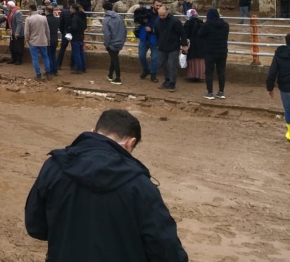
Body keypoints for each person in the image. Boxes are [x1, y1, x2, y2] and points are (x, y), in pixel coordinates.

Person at [25, 109, 188, 262]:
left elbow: (36, 226)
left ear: (93, 131)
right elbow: (166, 250)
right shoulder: (140, 186)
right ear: (130, 143)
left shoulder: (54, 167)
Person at [266, 33, 290, 151]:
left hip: (285, 90)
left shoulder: (279, 56)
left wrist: (270, 88)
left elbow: (272, 72)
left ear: (286, 42)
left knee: (288, 111)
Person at [156, 6, 187, 92]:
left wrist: (184, 44)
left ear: (167, 12)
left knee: (173, 65)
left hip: (173, 47)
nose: (162, 17)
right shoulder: (157, 22)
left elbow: (182, 33)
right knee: (162, 63)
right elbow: (157, 33)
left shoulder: (175, 21)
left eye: (163, 15)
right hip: (162, 47)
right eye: (160, 15)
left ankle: (172, 83)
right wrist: (158, 43)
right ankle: (167, 80)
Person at [201, 8, 229, 100]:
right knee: (221, 71)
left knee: (209, 72)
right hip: (222, 51)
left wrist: (204, 23)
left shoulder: (207, 25)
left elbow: (200, 34)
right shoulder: (225, 25)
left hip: (210, 52)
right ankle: (221, 92)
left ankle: (210, 93)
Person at [134, 0, 160, 82]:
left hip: (155, 39)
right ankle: (146, 70)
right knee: (141, 56)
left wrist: (152, 30)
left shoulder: (162, 15)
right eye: (157, 5)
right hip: (144, 38)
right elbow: (137, 18)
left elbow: (163, 29)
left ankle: (153, 74)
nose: (158, 7)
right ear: (153, 5)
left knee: (155, 58)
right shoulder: (145, 11)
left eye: (160, 5)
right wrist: (142, 21)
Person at [102, 2, 127, 85]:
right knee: (114, 58)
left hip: (112, 42)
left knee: (115, 59)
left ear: (104, 9)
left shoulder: (106, 19)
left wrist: (106, 44)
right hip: (120, 41)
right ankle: (110, 75)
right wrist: (123, 40)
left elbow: (107, 34)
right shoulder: (119, 17)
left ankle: (118, 77)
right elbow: (125, 29)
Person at [26, 4, 51, 81]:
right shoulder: (44, 18)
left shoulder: (28, 19)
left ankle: (38, 74)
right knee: (45, 57)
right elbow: (47, 30)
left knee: (35, 58)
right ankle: (48, 73)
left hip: (33, 41)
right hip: (43, 41)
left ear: (30, 9)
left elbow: (26, 32)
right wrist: (48, 39)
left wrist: (27, 40)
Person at [182, 9, 205, 82]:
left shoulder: (188, 23)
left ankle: (192, 75)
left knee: (191, 59)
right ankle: (200, 75)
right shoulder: (201, 23)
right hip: (201, 44)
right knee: (200, 59)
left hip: (191, 44)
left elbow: (185, 34)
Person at [69, 4, 88, 74]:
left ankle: (79, 68)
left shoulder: (75, 17)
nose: (70, 10)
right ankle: (83, 68)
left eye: (71, 8)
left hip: (75, 36)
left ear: (74, 9)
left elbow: (73, 27)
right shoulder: (83, 16)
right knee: (81, 52)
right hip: (81, 35)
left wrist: (69, 30)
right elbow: (85, 26)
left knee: (76, 53)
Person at [45, 6, 60, 76]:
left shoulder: (45, 19)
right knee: (53, 55)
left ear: (47, 11)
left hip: (48, 39)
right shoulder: (57, 19)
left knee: (48, 55)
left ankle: (50, 70)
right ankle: (55, 70)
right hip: (55, 38)